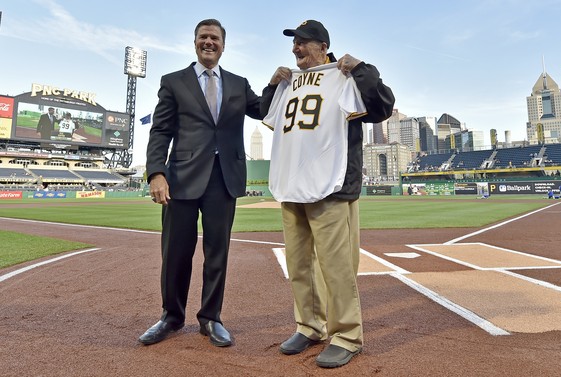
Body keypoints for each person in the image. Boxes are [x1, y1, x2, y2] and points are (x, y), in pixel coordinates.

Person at [261, 20, 395, 368]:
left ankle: (347, 335)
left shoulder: (345, 75)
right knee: (299, 264)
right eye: (294, 44)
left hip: (331, 185)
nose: (296, 49)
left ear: (322, 46)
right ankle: (309, 326)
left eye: (303, 43)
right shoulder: (289, 82)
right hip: (293, 184)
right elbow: (266, 114)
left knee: (336, 267)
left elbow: (382, 106)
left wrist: (360, 69)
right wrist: (272, 85)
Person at [140, 18, 262, 348]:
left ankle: (211, 318)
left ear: (224, 44)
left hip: (224, 179)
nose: (209, 42)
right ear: (195, 42)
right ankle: (171, 316)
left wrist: (282, 82)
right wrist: (156, 173)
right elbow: (160, 131)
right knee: (176, 252)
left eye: (215, 38)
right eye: (203, 37)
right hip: (180, 177)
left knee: (217, 253)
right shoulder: (174, 82)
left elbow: (264, 109)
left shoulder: (239, 84)